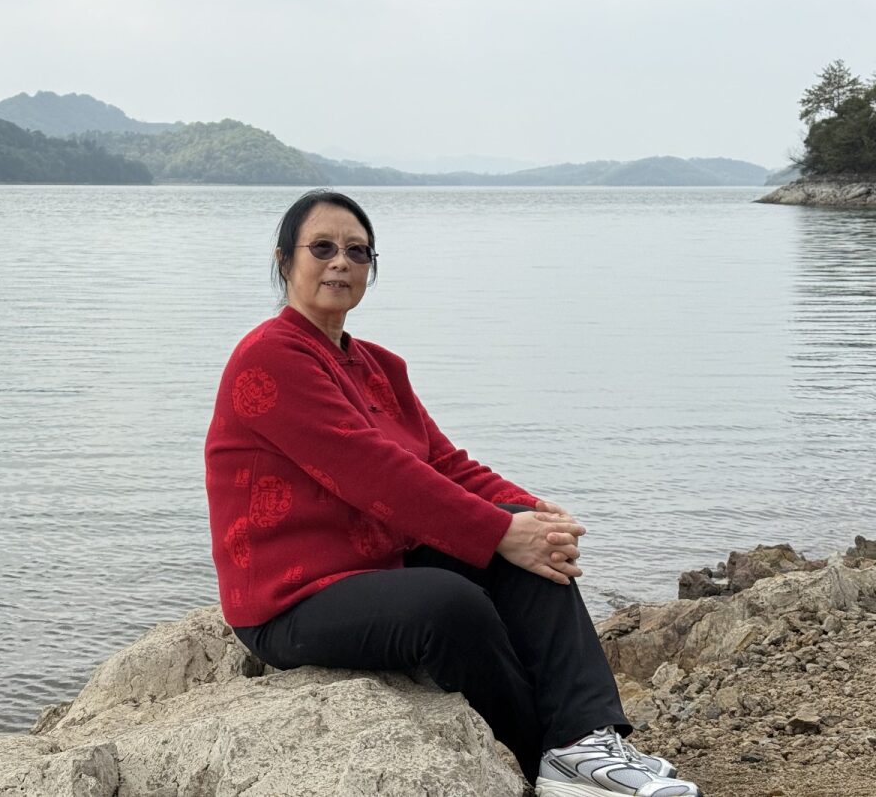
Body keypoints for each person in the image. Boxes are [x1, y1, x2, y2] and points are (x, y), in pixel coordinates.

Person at [204, 189, 703, 797]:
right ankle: (533, 757)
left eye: (357, 252)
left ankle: (585, 744)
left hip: (374, 563)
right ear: (285, 261)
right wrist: (496, 532)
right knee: (449, 604)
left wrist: (536, 515)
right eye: (323, 248)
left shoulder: (378, 366)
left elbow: (444, 463)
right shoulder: (271, 357)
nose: (341, 262)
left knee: (529, 550)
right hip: (289, 598)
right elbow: (375, 472)